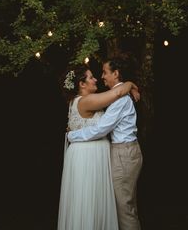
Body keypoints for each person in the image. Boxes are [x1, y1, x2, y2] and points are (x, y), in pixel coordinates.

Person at [57, 64, 140, 230]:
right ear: (82, 84)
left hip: (91, 155)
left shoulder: (80, 101)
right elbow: (116, 93)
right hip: (87, 157)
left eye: (100, 74)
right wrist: (130, 84)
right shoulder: (86, 100)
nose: (97, 79)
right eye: (91, 77)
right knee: (88, 202)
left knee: (94, 202)